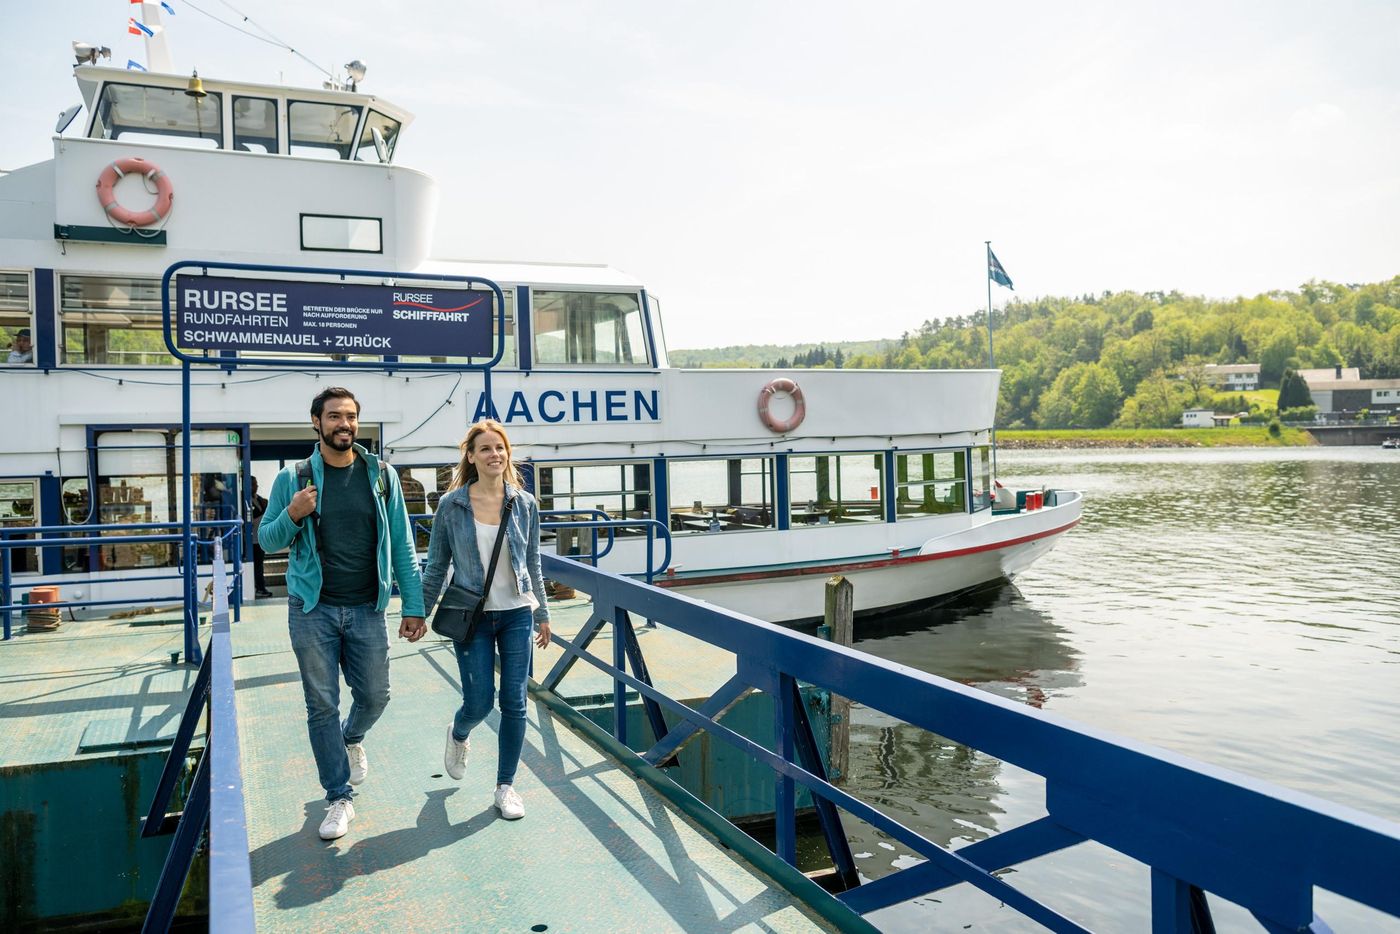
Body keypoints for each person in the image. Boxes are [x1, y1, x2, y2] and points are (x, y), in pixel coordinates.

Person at [259, 387, 426, 840]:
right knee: (321, 705)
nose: (344, 425)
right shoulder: (291, 481)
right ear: (316, 422)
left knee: (376, 695)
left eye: (350, 417)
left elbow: (404, 548)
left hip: (367, 609)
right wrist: (293, 514)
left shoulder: (381, 477)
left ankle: (352, 738)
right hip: (312, 610)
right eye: (334, 417)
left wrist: (413, 605)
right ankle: (338, 797)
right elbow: (267, 541)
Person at [416, 419, 551, 820]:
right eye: (486, 449)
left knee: (514, 701)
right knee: (478, 702)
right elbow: (436, 565)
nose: (495, 454)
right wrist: (418, 613)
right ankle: (459, 734)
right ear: (471, 457)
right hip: (471, 616)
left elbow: (533, 562)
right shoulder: (452, 505)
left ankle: (505, 786)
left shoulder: (524, 504)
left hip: (516, 614)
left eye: (500, 447)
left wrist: (542, 611)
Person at [248, 476, 272, 598]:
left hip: (259, 538)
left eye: (256, 484)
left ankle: (261, 587)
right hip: (250, 540)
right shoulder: (245, 501)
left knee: (259, 565)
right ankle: (259, 588)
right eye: (253, 484)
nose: (256, 486)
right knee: (256, 566)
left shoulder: (259, 500)